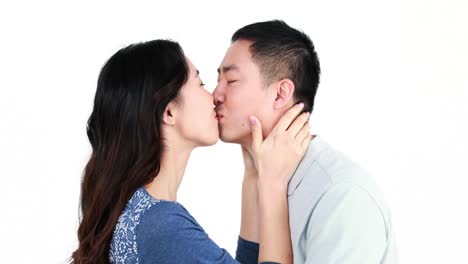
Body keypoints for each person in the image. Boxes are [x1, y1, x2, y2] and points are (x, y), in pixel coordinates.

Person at [71, 39, 311, 264]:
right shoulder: (163, 227)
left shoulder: (142, 212)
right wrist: (272, 186)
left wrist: (253, 174)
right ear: (169, 113)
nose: (215, 97)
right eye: (201, 83)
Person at [213, 20, 397, 263]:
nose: (216, 94)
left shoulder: (342, 195)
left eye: (231, 81)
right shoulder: (262, 176)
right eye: (217, 80)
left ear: (280, 94)